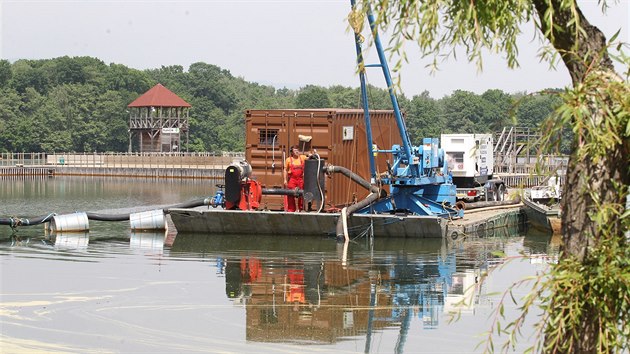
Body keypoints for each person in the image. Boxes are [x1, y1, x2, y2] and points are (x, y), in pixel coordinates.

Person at [285, 144, 308, 212]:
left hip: (300, 179)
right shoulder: (288, 160)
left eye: (298, 150)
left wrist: (311, 155)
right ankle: (291, 210)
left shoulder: (302, 158)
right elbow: (285, 170)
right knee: (290, 194)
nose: (297, 151)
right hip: (292, 179)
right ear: (292, 152)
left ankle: (301, 209)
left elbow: (309, 157)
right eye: (295, 150)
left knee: (301, 195)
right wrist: (285, 180)